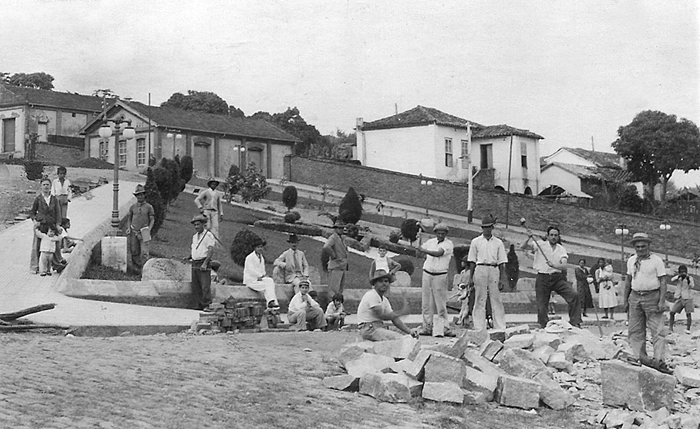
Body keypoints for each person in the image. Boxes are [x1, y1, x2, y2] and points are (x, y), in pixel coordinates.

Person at [623, 232, 669, 371]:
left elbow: (663, 281)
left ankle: (659, 360)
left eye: (643, 246)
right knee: (635, 329)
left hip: (652, 297)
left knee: (657, 330)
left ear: (648, 245)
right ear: (634, 247)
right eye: (638, 247)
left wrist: (662, 301)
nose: (640, 249)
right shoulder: (631, 260)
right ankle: (640, 357)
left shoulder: (656, 261)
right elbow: (628, 280)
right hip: (635, 296)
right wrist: (625, 300)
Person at [520, 225, 582, 329]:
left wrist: (554, 265)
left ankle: (575, 322)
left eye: (556, 235)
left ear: (558, 237)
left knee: (574, 295)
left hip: (557, 278)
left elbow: (564, 266)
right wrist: (528, 237)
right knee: (542, 304)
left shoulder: (561, 249)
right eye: (551, 235)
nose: (553, 237)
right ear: (547, 236)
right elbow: (523, 247)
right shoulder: (540, 245)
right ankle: (544, 325)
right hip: (542, 278)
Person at [466, 215, 507, 331]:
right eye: (485, 227)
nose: (487, 229)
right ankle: (479, 327)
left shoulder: (498, 243)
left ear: (492, 227)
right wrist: (471, 278)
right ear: (482, 228)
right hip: (480, 268)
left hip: (493, 269)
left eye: (489, 227)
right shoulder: (475, 242)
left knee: (496, 299)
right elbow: (472, 261)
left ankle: (500, 326)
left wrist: (502, 279)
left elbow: (502, 262)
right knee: (480, 298)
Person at [357, 269, 418, 341]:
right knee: (398, 338)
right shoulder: (372, 295)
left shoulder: (384, 300)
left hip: (378, 327)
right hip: (369, 329)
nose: (384, 283)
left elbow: (395, 319)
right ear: (375, 284)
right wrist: (402, 312)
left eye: (386, 281)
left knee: (407, 335)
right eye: (380, 281)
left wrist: (410, 331)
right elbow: (382, 315)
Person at [416, 223, 455, 337]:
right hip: (427, 273)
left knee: (440, 304)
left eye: (443, 234)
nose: (440, 235)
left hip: (440, 275)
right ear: (435, 233)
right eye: (438, 233)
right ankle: (427, 327)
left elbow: (438, 253)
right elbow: (419, 254)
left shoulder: (448, 244)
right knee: (426, 303)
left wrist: (423, 250)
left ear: (446, 234)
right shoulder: (430, 242)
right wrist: (419, 242)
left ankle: (445, 328)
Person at [29, 177, 61, 274]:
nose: (46, 187)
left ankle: (56, 265)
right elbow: (32, 212)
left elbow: (58, 213)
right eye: (44, 185)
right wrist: (35, 221)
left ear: (51, 186)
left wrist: (58, 225)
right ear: (41, 187)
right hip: (41, 225)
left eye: (48, 185)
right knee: (37, 246)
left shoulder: (54, 199)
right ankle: (34, 267)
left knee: (54, 246)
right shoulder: (38, 199)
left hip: (51, 225)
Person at [186, 214, 216, 311]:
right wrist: (189, 257)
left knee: (205, 285)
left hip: (203, 262)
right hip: (195, 262)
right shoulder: (194, 236)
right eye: (195, 225)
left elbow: (211, 250)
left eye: (198, 224)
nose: (196, 227)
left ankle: (206, 304)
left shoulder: (208, 235)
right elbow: (195, 249)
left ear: (203, 224)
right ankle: (197, 305)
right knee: (195, 285)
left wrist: (205, 263)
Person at [244, 237, 280, 310]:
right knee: (268, 286)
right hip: (251, 280)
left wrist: (263, 275)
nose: (260, 249)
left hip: (258, 279)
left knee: (270, 281)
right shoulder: (250, 257)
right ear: (254, 248)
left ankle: (272, 303)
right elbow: (250, 270)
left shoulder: (261, 257)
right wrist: (260, 276)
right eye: (258, 247)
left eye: (261, 247)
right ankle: (271, 303)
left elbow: (262, 270)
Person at [125, 184, 155, 270]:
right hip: (134, 231)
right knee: (134, 250)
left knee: (144, 252)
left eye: (141, 194)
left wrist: (149, 229)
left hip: (145, 231)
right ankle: (136, 268)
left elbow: (152, 219)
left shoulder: (149, 207)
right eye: (138, 195)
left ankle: (145, 269)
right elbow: (129, 218)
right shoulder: (133, 207)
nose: (140, 196)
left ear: (144, 195)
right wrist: (128, 228)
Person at [323, 222, 349, 295]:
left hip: (342, 266)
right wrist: (333, 255)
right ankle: (331, 304)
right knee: (333, 289)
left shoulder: (342, 238)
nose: (341, 230)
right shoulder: (333, 238)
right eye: (339, 228)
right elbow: (326, 246)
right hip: (336, 266)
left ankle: (338, 304)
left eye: (342, 228)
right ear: (335, 229)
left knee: (340, 288)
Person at [669, 265, 694, 334]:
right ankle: (670, 327)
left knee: (688, 313)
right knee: (672, 312)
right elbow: (671, 280)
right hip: (679, 297)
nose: (683, 273)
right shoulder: (678, 278)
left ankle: (688, 329)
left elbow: (692, 286)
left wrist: (688, 278)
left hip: (688, 298)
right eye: (681, 271)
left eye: (684, 271)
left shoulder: (690, 278)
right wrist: (679, 276)